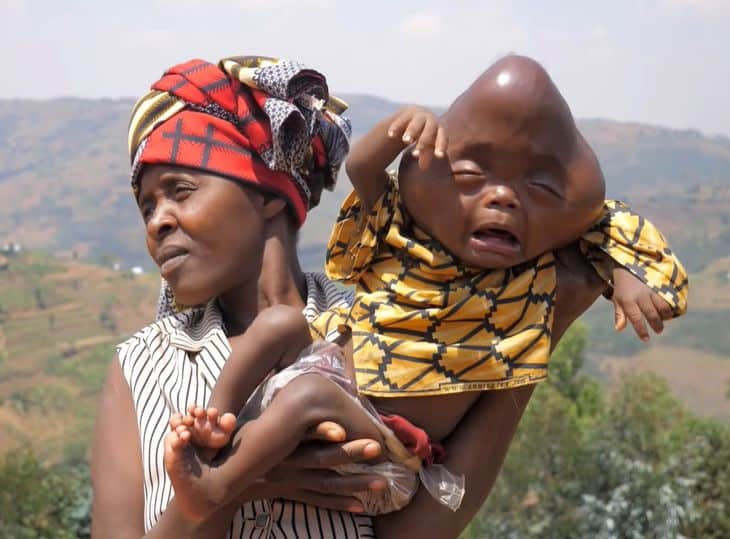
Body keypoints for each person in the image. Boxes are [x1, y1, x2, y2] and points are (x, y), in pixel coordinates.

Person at [161, 55, 689, 525]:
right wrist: (396, 130)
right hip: (323, 368)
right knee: (280, 324)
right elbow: (364, 170)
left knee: (309, 394)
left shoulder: (528, 278)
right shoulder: (405, 230)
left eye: (538, 187)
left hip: (392, 450)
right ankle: (219, 425)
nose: (502, 198)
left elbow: (609, 228)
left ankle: (212, 488)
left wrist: (624, 276)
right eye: (470, 175)